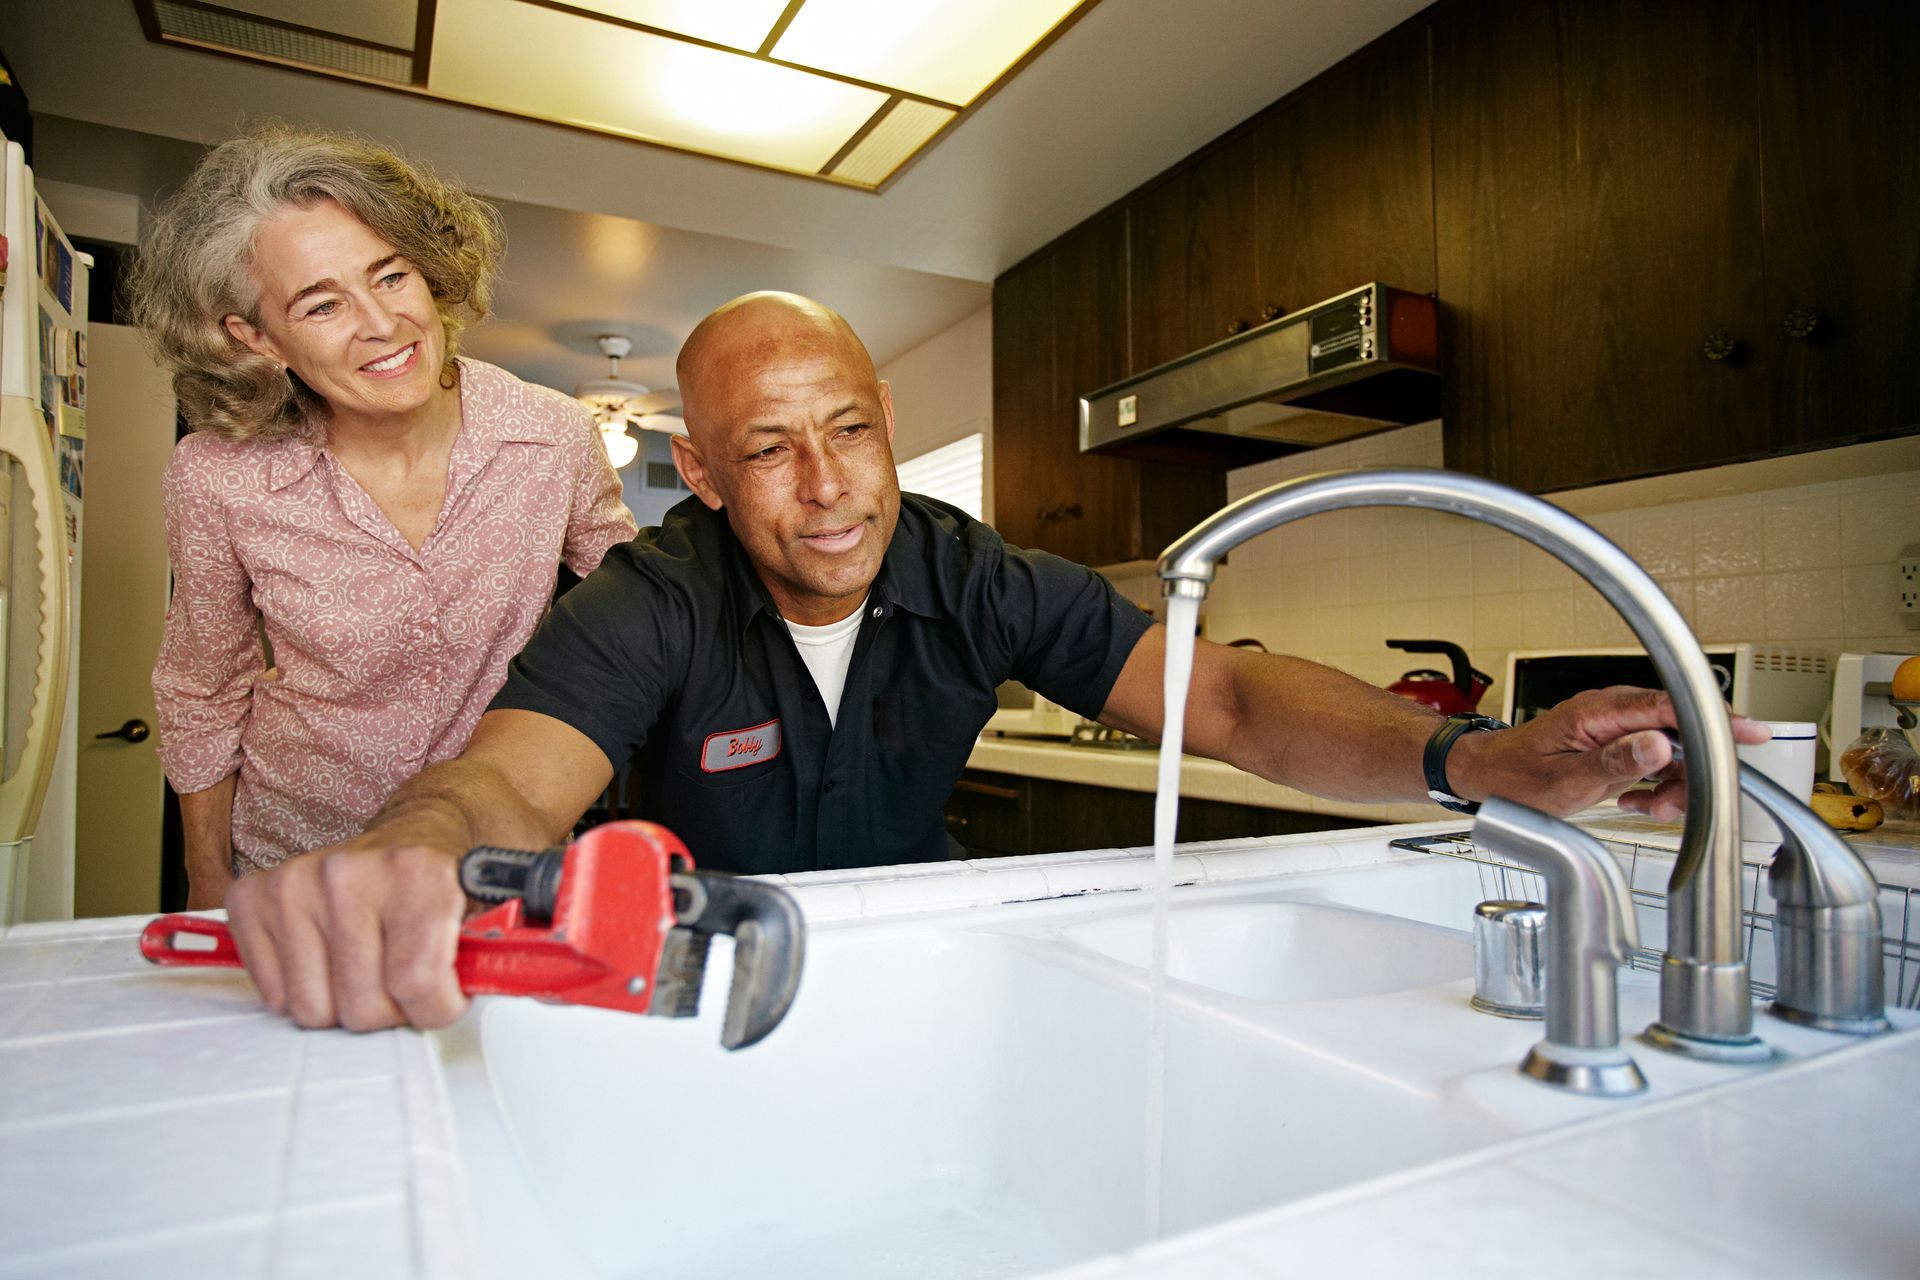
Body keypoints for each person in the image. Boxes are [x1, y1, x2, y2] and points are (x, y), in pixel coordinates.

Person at [223, 291, 1765, 1031]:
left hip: (921, 984)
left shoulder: (971, 571)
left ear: (885, 419)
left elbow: (1219, 698)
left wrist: (1477, 759)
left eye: (848, 432)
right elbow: (505, 775)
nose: (828, 489)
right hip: (696, 994)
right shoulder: (654, 597)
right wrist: (418, 851)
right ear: (700, 473)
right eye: (769, 451)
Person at [131, 123, 636, 909]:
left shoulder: (553, 437)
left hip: (497, 863)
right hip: (300, 864)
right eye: (323, 304)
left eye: (390, 276)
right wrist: (207, 880)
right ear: (257, 338)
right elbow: (201, 689)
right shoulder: (218, 478)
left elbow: (635, 617)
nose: (381, 323)